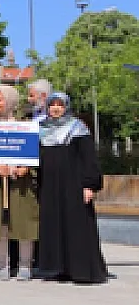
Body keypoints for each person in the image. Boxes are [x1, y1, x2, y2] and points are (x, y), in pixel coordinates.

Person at [37, 92, 107, 284]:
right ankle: (59, 268)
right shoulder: (41, 129)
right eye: (52, 105)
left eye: (60, 105)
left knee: (77, 225)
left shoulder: (78, 128)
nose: (56, 108)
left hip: (74, 185)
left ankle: (82, 270)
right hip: (50, 186)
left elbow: (88, 159)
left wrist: (89, 185)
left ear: (66, 106)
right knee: (55, 224)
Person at [0, 85, 38, 281]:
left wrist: (26, 168)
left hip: (20, 183)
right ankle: (2, 264)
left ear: (10, 101)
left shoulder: (24, 124)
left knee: (24, 224)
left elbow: (35, 153)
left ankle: (25, 265)